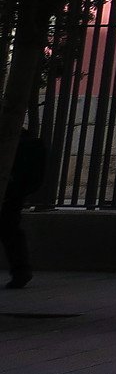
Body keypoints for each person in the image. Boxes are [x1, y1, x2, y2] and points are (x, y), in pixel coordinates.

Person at [3, 124, 48, 289]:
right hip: (13, 189)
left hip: (10, 187)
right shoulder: (21, 135)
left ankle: (21, 271)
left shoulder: (13, 135)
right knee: (10, 229)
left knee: (9, 229)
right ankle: (21, 270)